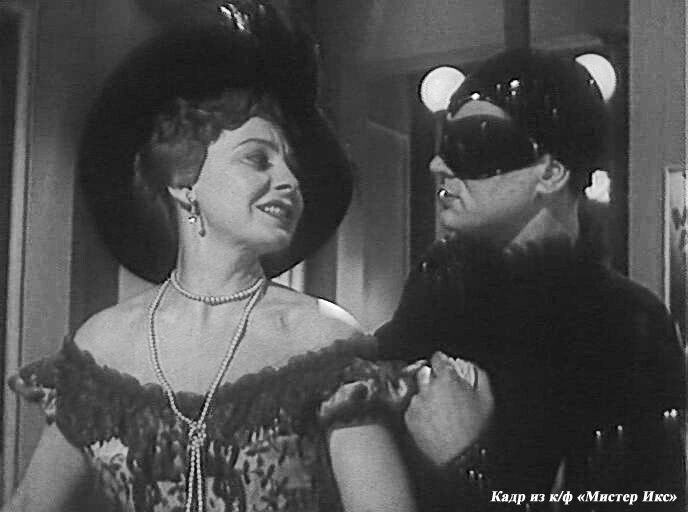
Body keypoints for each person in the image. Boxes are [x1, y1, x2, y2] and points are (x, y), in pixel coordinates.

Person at [2, 3, 489, 511]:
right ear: (184, 183)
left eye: (291, 166)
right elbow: (32, 503)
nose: (290, 181)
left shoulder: (322, 340)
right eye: (258, 159)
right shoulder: (102, 344)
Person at [377, 48, 686, 511]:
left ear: (552, 172)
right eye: (445, 141)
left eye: (475, 142)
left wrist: (469, 462)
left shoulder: (623, 325)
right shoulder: (438, 290)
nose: (438, 165)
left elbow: (640, 499)